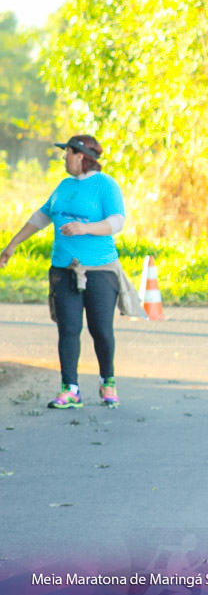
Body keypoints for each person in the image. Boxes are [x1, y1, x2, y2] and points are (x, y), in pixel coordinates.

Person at [0, 135, 130, 409]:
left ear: (81, 156)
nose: (64, 158)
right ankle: (70, 389)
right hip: (63, 269)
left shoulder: (105, 185)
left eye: (67, 153)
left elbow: (117, 221)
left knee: (101, 330)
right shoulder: (63, 186)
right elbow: (41, 217)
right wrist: (13, 244)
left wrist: (85, 228)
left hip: (100, 270)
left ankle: (108, 381)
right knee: (68, 330)